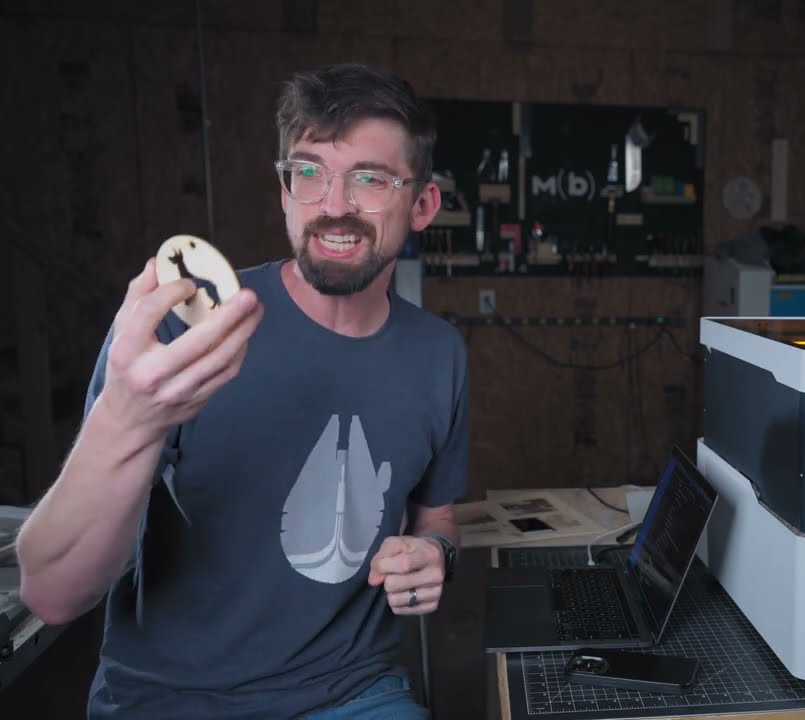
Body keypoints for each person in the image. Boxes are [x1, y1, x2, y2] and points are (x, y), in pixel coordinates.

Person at [15, 62, 469, 719]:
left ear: (422, 204)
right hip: (171, 699)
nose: (334, 205)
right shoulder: (191, 327)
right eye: (308, 172)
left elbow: (438, 516)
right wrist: (127, 417)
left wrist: (437, 553)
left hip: (353, 691)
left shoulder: (439, 354)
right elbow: (53, 594)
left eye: (369, 179)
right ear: (285, 190)